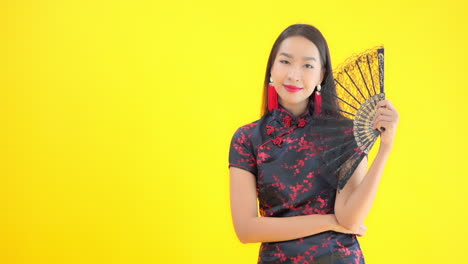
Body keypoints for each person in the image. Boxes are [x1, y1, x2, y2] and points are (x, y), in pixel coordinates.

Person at [228, 24, 399, 263]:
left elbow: (349, 220)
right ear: (271, 68)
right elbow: (246, 229)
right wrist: (328, 222)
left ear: (321, 74)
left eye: (307, 65)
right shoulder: (248, 138)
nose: (294, 75)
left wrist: (385, 149)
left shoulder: (344, 133)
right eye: (285, 62)